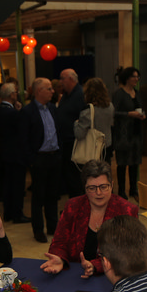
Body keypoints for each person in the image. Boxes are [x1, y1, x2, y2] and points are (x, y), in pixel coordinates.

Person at [41, 159, 138, 277]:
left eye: (103, 187)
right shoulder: (73, 206)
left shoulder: (127, 211)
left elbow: (128, 253)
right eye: (92, 188)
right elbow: (59, 242)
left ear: (112, 185)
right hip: (76, 274)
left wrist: (95, 265)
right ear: (85, 188)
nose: (98, 192)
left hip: (113, 276)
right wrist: (59, 258)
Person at [21, 77, 66, 243]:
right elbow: (23, 139)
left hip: (54, 156)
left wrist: (60, 152)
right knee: (38, 196)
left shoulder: (53, 108)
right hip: (39, 158)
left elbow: (58, 131)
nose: (53, 91)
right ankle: (38, 229)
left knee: (53, 195)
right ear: (39, 91)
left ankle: (53, 226)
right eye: (49, 89)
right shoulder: (28, 111)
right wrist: (32, 160)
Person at [0, 83, 28, 223]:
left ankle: (8, 213)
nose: (17, 94)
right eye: (15, 92)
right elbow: (22, 130)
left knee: (7, 185)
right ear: (10, 95)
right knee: (17, 185)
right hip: (16, 153)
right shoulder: (12, 113)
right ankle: (17, 214)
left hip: (4, 153)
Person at [111, 66, 145, 199]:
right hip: (123, 134)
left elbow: (140, 107)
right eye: (134, 77)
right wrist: (128, 114)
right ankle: (121, 190)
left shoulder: (137, 93)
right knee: (122, 163)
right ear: (127, 78)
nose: (136, 79)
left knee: (134, 163)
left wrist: (142, 115)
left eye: (137, 77)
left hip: (136, 132)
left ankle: (133, 189)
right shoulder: (119, 94)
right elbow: (114, 112)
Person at [57, 69, 86, 197]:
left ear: (71, 79)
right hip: (65, 142)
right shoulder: (66, 95)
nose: (60, 82)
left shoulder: (80, 95)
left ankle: (77, 203)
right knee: (69, 177)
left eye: (62, 78)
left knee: (75, 178)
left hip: (75, 142)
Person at [74, 76, 114, 165]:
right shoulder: (110, 106)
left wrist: (76, 123)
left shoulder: (88, 110)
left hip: (93, 148)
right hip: (107, 145)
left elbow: (79, 134)